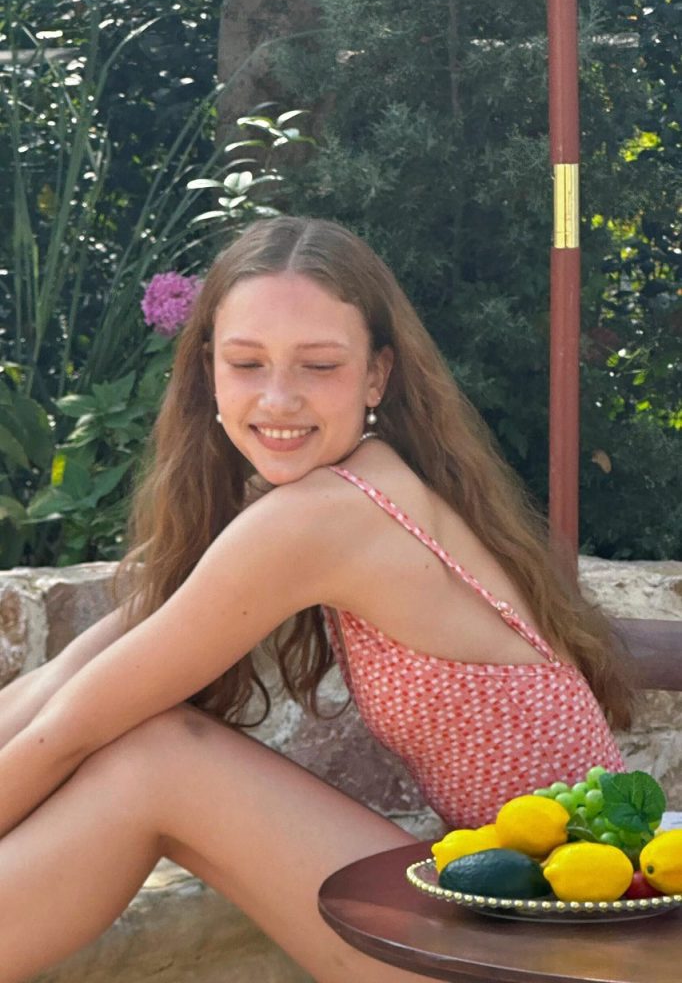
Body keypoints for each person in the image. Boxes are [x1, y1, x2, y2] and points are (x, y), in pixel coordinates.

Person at [0, 216, 632, 983]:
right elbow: (73, 675)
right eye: (247, 363)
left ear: (376, 376)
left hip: (559, 953)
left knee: (156, 762)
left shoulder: (327, 517)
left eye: (319, 365)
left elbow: (69, 730)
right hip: (530, 921)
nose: (279, 398)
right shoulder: (360, 482)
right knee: (151, 752)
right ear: (207, 372)